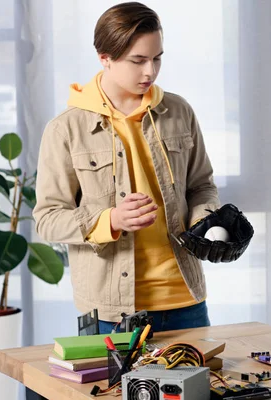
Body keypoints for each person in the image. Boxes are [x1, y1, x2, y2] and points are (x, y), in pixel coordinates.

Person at [33, 2, 220, 334]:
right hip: (111, 311)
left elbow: (201, 186)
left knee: (203, 388)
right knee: (116, 390)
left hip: (186, 300)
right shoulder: (66, 129)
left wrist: (204, 221)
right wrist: (111, 220)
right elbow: (47, 219)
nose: (150, 71)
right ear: (105, 57)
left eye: (157, 58)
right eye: (138, 60)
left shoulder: (179, 112)